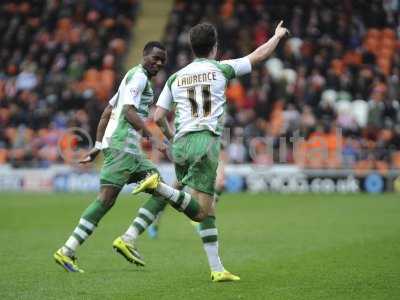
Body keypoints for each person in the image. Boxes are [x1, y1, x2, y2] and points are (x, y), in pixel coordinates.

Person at [133, 21, 289, 282]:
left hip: (181, 142)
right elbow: (258, 56)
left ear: (192, 48)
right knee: (202, 210)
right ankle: (158, 189)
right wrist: (276, 36)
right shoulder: (221, 69)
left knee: (201, 204)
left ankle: (217, 269)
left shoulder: (176, 77)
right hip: (206, 140)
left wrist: (173, 137)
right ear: (215, 47)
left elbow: (158, 116)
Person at [53, 41, 206, 273]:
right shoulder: (139, 78)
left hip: (122, 148)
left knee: (155, 188)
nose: (159, 63)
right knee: (108, 200)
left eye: (162, 60)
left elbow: (107, 112)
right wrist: (152, 139)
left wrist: (98, 145)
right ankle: (71, 249)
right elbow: (128, 111)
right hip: (124, 148)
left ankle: (125, 238)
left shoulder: (129, 77)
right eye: (155, 57)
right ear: (144, 55)